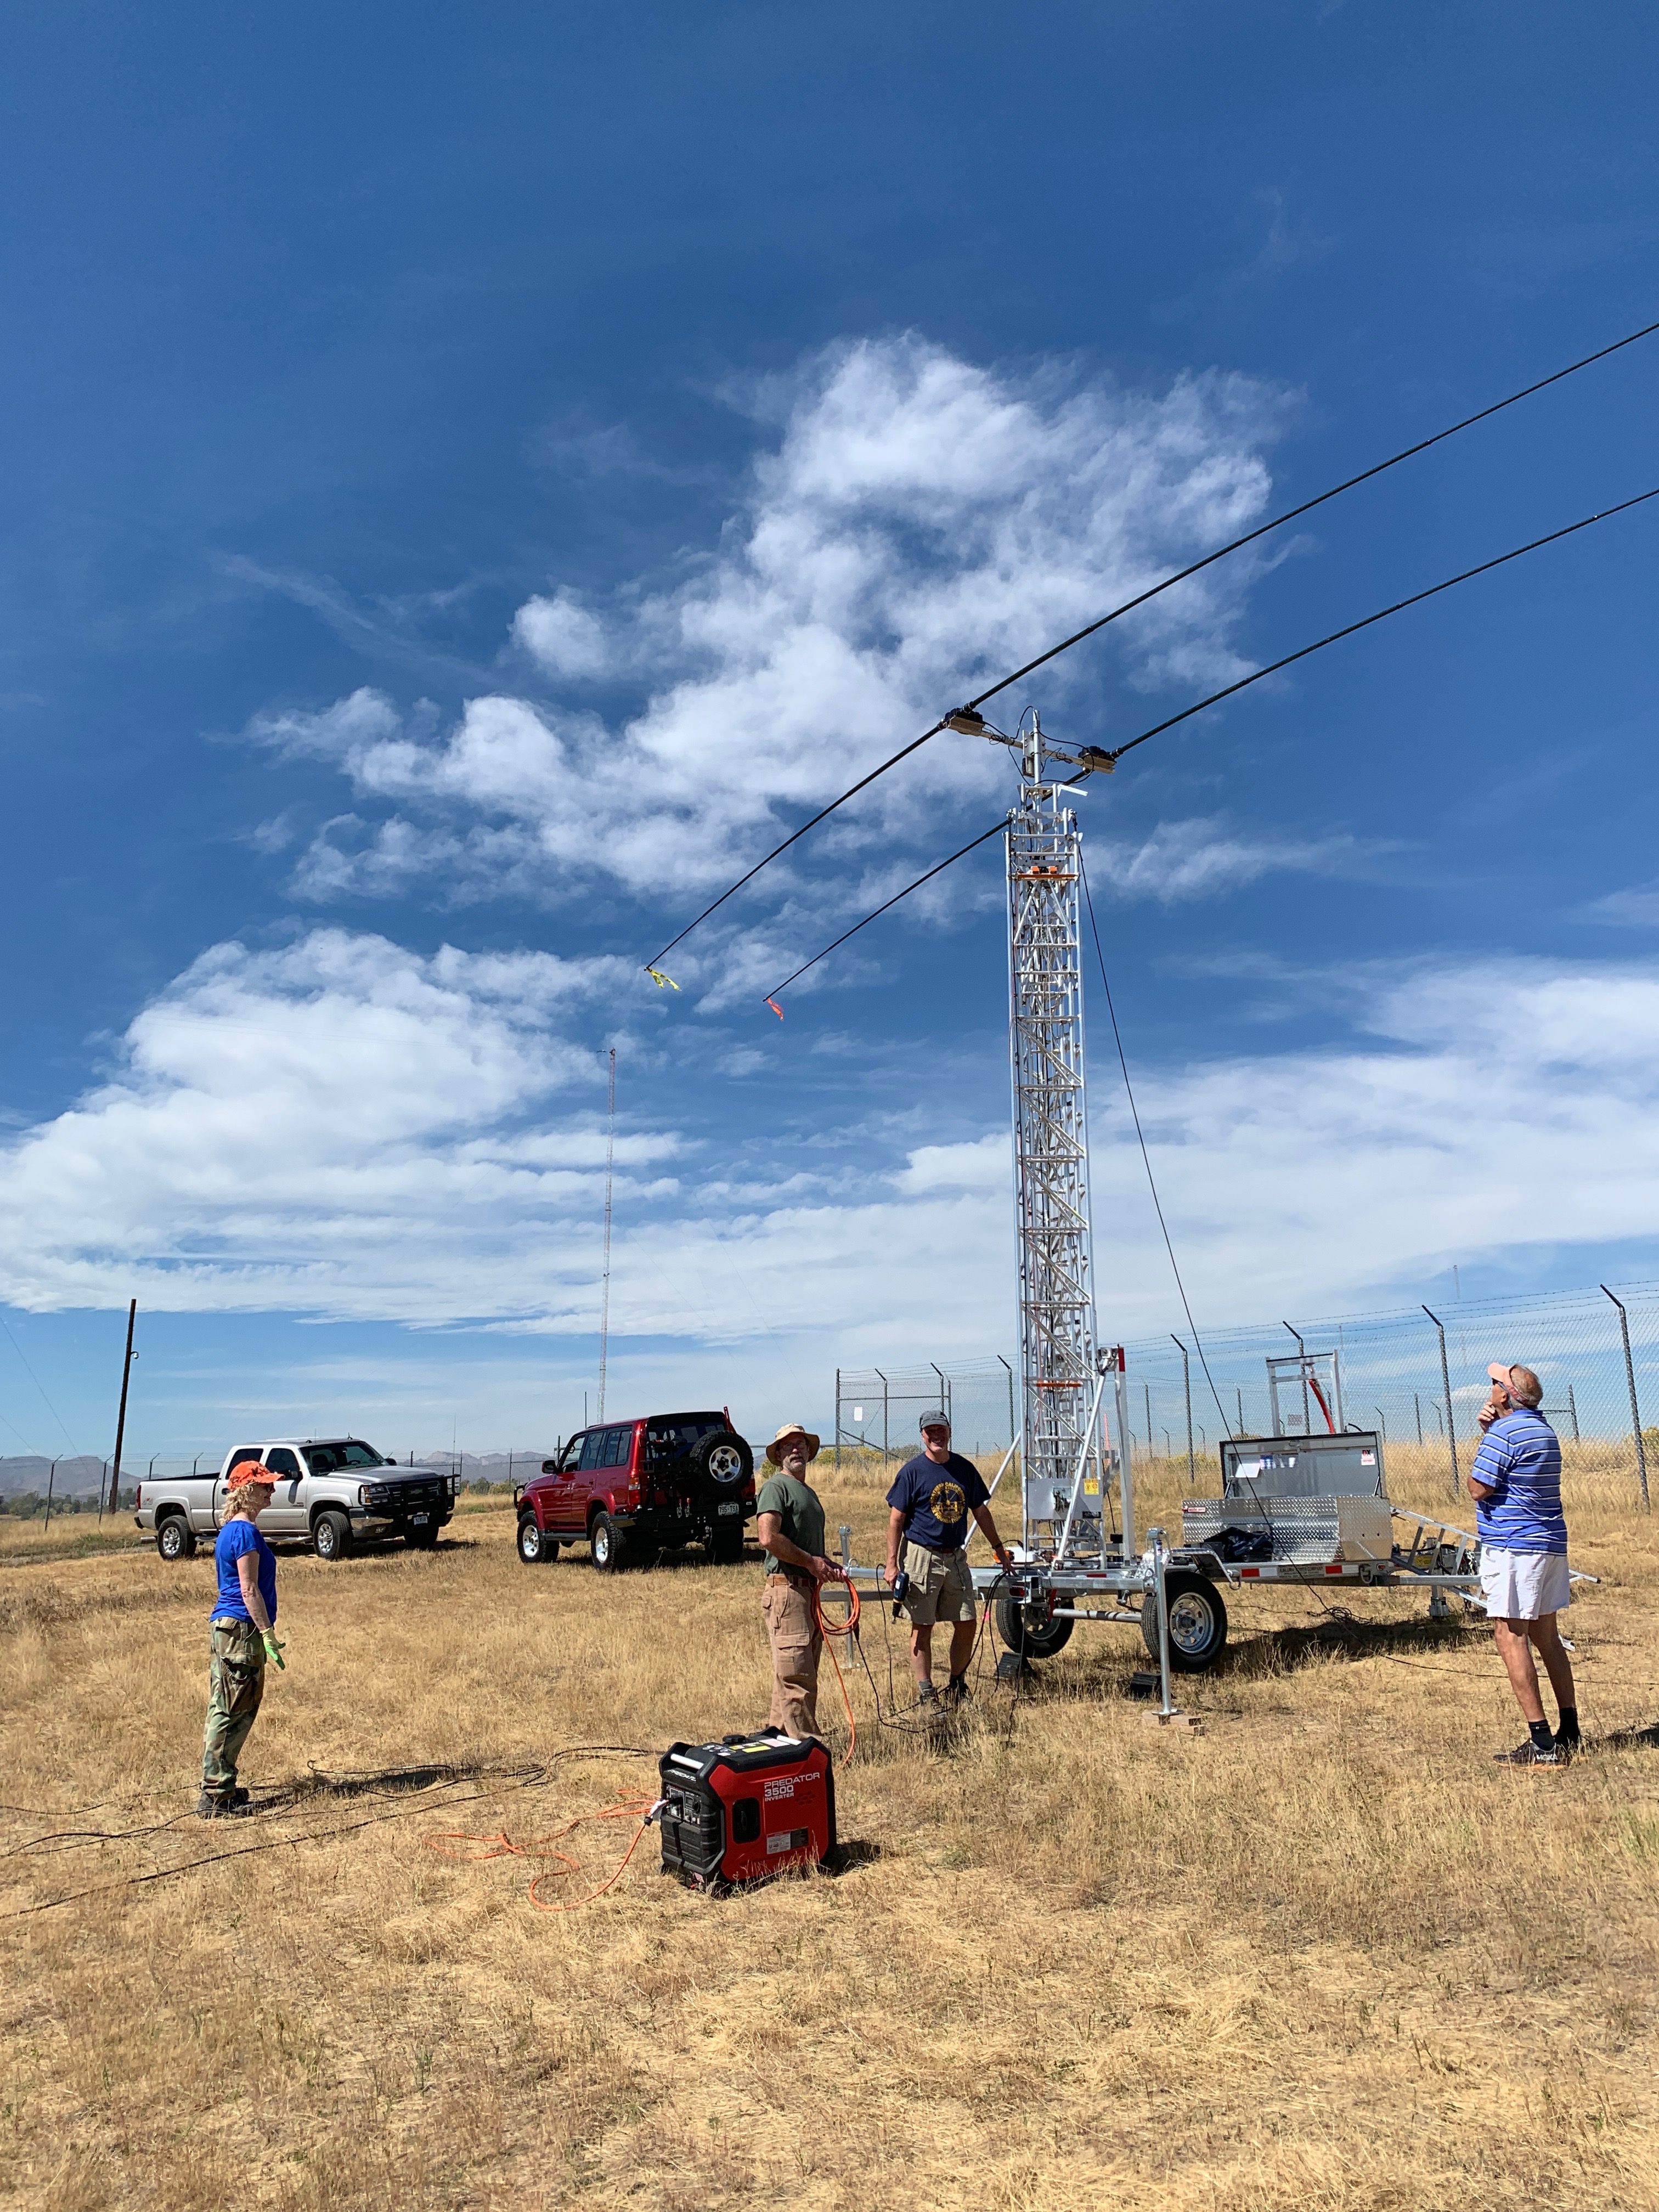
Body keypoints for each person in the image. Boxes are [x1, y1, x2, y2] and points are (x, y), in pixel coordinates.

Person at [1470, 1360, 1578, 1767]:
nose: (1491, 1387)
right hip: (1549, 1543)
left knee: (1509, 1634)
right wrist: (1492, 1431)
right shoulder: (1542, 1428)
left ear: (1506, 1396)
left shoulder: (1505, 1432)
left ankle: (1541, 1742)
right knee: (1546, 1636)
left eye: (1496, 1383)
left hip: (1515, 1548)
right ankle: (1569, 1730)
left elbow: (1479, 1488)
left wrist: (1489, 1435)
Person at [883, 1412, 1013, 1708]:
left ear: (950, 1432)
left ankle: (957, 1684)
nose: (936, 1436)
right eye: (930, 1431)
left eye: (941, 1430)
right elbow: (896, 1521)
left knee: (967, 1621)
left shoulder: (964, 1470)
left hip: (955, 1557)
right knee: (923, 1624)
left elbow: (981, 1513)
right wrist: (892, 1564)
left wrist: (999, 1548)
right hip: (921, 1556)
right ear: (922, 1435)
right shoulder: (912, 1472)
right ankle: (927, 1691)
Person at [199, 1460, 287, 1817]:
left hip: (228, 1628)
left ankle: (221, 1785)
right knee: (234, 1709)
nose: (272, 1490)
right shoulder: (245, 1533)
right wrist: (266, 1632)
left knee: (228, 1707)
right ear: (245, 1490)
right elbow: (249, 1589)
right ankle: (216, 1794)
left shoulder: (233, 1531)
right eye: (265, 1485)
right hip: (239, 1630)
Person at [754, 1423, 842, 1742]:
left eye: (801, 1444)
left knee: (793, 1675)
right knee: (797, 1676)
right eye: (788, 1445)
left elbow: (807, 1547)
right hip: (787, 1591)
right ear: (778, 1455)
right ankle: (808, 1751)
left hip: (806, 1591)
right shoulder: (776, 1487)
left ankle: (777, 1741)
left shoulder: (808, 1493)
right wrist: (811, 1562)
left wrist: (823, 1564)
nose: (796, 1450)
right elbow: (768, 1537)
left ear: (809, 1451)